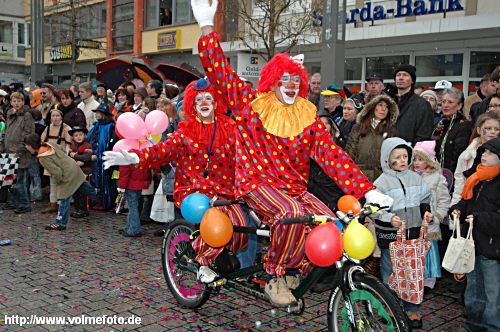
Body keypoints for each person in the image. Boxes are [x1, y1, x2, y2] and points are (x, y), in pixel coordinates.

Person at [181, 0, 392, 306]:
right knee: (291, 215)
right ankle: (274, 277)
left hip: (292, 188)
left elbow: (333, 156)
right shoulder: (251, 105)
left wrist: (367, 191)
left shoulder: (306, 116)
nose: (291, 85)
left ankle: (296, 272)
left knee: (329, 223)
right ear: (272, 82)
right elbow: (220, 73)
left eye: (296, 80)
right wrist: (206, 27)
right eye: (285, 80)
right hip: (256, 183)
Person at [103, 78, 248, 281]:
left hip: (224, 190)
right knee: (208, 214)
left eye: (208, 98)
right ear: (193, 105)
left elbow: (249, 151)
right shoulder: (185, 131)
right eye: (199, 100)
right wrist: (136, 156)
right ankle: (203, 261)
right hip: (194, 191)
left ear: (216, 103)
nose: (204, 103)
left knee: (240, 226)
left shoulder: (230, 127)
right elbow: (163, 150)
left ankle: (220, 256)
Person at [372, 137, 432, 329]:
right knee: (391, 273)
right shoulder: (381, 183)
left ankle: (413, 309)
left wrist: (426, 210)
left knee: (413, 273)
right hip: (390, 237)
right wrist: (389, 218)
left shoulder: (416, 178)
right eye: (397, 157)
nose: (402, 160)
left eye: (405, 156)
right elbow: (373, 208)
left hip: (413, 234)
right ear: (387, 159)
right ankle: (391, 307)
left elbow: (426, 197)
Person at [450, 137, 500, 332]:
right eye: (484, 152)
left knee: (492, 295)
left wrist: (479, 218)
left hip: (491, 249)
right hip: (472, 246)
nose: (484, 156)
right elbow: (466, 202)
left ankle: (492, 327)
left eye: (490, 153)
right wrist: (457, 209)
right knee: (472, 291)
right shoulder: (476, 179)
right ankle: (474, 325)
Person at [24, 133, 97, 231]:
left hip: (66, 174)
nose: (26, 147)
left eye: (27, 145)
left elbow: (57, 172)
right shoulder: (49, 144)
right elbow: (62, 149)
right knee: (81, 184)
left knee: (64, 198)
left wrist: (59, 183)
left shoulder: (43, 157)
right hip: (73, 166)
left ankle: (60, 223)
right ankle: (96, 192)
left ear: (32, 146)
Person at [412, 140, 451, 290]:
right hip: (414, 221)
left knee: (429, 252)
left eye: (421, 159)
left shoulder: (436, 178)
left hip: (429, 222)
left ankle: (429, 280)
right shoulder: (410, 176)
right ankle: (416, 277)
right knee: (416, 251)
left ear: (428, 161)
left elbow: (444, 200)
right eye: (415, 159)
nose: (416, 163)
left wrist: (437, 216)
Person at [346, 95, 399, 182]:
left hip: (382, 179)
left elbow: (394, 157)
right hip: (358, 177)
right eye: (380, 105)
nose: (383, 109)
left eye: (387, 107)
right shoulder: (358, 128)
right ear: (372, 107)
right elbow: (349, 153)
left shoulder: (392, 132)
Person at [451, 112, 500, 206]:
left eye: (497, 129)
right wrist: (455, 209)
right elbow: (459, 186)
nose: (493, 132)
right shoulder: (466, 156)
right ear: (478, 130)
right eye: (488, 128)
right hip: (467, 206)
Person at [0, 92, 35, 214]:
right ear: (11, 102)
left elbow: (28, 135)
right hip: (8, 153)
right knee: (10, 181)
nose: (16, 103)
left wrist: (20, 149)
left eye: (19, 101)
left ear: (23, 102)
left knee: (20, 182)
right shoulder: (10, 114)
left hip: (20, 154)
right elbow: (6, 132)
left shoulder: (27, 115)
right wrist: (2, 145)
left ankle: (25, 204)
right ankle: (14, 202)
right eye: (14, 101)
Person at [40, 108, 73, 214]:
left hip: (60, 156)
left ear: (61, 117)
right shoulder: (48, 128)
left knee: (60, 180)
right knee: (52, 181)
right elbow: (42, 140)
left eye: (57, 116)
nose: (55, 118)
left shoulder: (66, 128)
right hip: (50, 156)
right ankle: (52, 202)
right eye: (53, 116)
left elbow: (69, 143)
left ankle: (60, 201)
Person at [431, 88, 472, 174]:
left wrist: (448, 174)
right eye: (443, 101)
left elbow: (458, 154)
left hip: (452, 173)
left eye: (450, 102)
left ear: (459, 105)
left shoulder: (464, 125)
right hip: (437, 171)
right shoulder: (441, 123)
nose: (445, 105)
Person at [87, 102, 118, 211]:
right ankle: (98, 201)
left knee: (106, 180)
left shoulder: (110, 127)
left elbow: (111, 142)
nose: (96, 115)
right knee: (96, 180)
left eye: (99, 113)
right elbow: (90, 139)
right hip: (96, 157)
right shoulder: (96, 126)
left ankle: (107, 202)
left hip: (105, 157)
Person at [393, 64, 434, 145]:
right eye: (398, 75)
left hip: (408, 152)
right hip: (387, 151)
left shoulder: (423, 105)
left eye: (405, 75)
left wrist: (409, 151)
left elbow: (423, 135)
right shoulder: (389, 102)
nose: (401, 78)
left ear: (412, 81)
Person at [68, 126, 94, 218]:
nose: (78, 137)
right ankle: (77, 209)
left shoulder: (87, 145)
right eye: (76, 135)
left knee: (83, 191)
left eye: (80, 135)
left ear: (85, 135)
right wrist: (76, 160)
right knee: (75, 191)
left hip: (85, 171)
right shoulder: (72, 146)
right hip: (75, 172)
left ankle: (83, 210)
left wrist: (76, 156)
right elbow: (69, 157)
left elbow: (87, 157)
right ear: (73, 137)